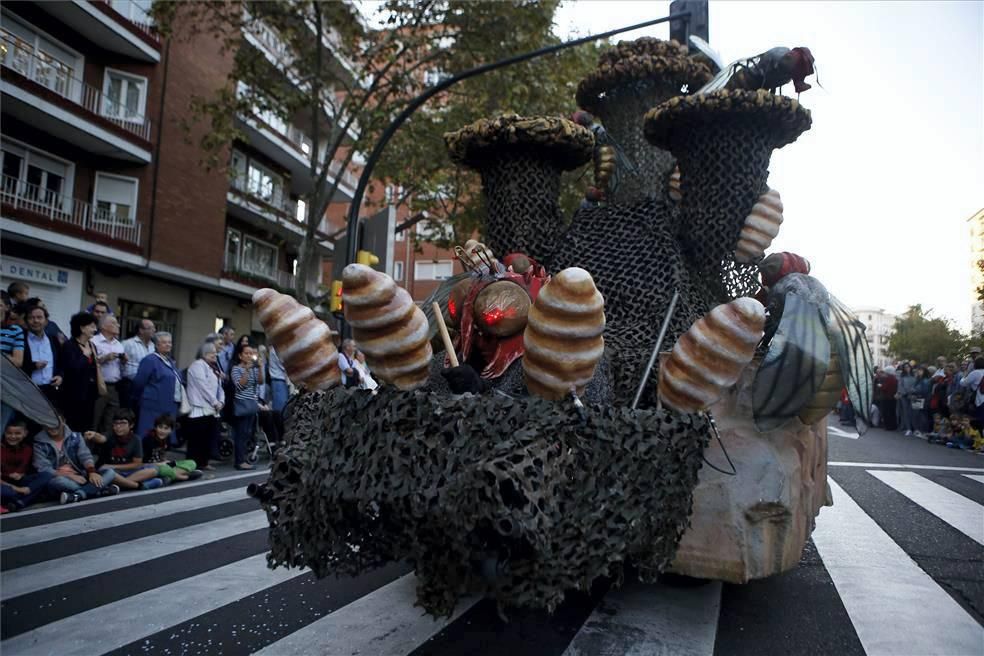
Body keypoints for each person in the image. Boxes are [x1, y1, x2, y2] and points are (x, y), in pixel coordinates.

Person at [34, 417, 119, 504]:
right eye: (48, 422)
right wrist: (70, 476)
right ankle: (97, 491)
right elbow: (44, 468)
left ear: (63, 421)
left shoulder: (75, 437)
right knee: (58, 481)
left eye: (55, 422)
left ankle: (78, 495)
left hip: (81, 477)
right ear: (43, 424)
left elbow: (85, 456)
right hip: (61, 479)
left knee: (110, 472)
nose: (52, 425)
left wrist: (91, 472)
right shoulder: (39, 443)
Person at [86, 409, 162, 490]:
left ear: (131, 425)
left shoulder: (136, 439)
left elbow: (137, 464)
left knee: (154, 469)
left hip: (126, 471)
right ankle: (139, 485)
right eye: (116, 423)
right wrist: (94, 435)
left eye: (123, 423)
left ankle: (121, 484)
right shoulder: (110, 434)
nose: (118, 427)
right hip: (110, 472)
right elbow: (101, 438)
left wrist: (113, 466)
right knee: (109, 473)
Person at [131, 332, 182, 440]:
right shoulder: (150, 360)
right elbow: (139, 382)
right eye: (164, 342)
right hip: (153, 406)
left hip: (169, 405)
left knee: (164, 438)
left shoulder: (169, 361)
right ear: (156, 345)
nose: (168, 344)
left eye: (170, 342)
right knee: (149, 436)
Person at [58, 312, 102, 433]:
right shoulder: (69, 346)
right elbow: (70, 369)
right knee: (73, 428)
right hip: (73, 396)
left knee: (87, 428)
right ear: (82, 328)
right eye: (92, 326)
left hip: (90, 395)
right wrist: (84, 356)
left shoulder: (92, 345)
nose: (95, 329)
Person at [185, 342, 224, 470]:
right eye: (211, 352)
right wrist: (215, 402)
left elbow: (219, 387)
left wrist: (221, 401)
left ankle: (203, 462)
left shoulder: (213, 367)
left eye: (215, 352)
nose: (215, 354)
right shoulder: (197, 366)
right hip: (200, 407)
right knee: (197, 438)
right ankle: (193, 464)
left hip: (212, 408)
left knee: (208, 437)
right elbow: (203, 387)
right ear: (204, 353)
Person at [1, 419, 54, 512]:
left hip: (20, 481)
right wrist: (19, 489)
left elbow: (24, 469)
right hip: (4, 482)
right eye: (9, 433)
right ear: (4, 433)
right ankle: (22, 499)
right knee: (10, 493)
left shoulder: (27, 449)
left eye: (17, 433)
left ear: (25, 433)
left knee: (46, 475)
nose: (13, 436)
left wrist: (21, 475)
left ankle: (19, 502)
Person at [230, 341, 263, 470]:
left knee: (247, 433)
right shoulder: (236, 369)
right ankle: (239, 461)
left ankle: (243, 459)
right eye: (246, 353)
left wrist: (260, 367)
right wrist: (247, 370)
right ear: (240, 356)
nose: (249, 356)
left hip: (251, 404)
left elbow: (260, 382)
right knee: (240, 433)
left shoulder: (254, 369)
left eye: (251, 353)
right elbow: (239, 385)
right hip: (241, 404)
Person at [22, 303, 62, 405]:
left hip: (51, 391)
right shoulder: (21, 339)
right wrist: (33, 366)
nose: (35, 321)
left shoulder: (53, 339)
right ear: (26, 321)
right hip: (28, 391)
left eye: (39, 317)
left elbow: (61, 362)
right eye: (31, 318)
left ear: (46, 321)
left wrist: (60, 376)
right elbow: (14, 365)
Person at [92, 315, 126, 434]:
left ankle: (105, 450)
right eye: (114, 323)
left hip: (114, 387)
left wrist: (124, 361)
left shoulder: (119, 344)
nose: (118, 325)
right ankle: (88, 449)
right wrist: (104, 358)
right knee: (94, 420)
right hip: (99, 386)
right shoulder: (94, 341)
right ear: (103, 326)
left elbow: (121, 368)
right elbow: (90, 363)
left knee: (111, 421)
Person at [141, 415, 200, 483]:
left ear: (171, 430)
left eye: (166, 428)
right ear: (155, 427)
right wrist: (159, 464)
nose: (162, 431)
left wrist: (166, 462)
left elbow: (163, 455)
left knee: (192, 463)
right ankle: (183, 477)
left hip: (163, 464)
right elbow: (142, 463)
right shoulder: (148, 439)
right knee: (164, 469)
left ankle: (170, 476)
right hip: (151, 467)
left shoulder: (167, 438)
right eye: (160, 427)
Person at [121, 319, 156, 410]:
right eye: (151, 328)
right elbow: (120, 363)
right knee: (128, 412)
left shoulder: (153, 346)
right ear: (141, 330)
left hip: (147, 386)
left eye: (154, 328)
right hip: (130, 385)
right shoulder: (128, 344)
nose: (154, 330)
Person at [910, 366, 932, 436]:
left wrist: (915, 391)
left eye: (920, 370)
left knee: (923, 415)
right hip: (918, 399)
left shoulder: (925, 380)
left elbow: (924, 391)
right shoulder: (918, 379)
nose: (918, 372)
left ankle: (923, 430)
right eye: (918, 370)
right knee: (918, 415)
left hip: (923, 399)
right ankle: (919, 429)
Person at [896, 362, 916, 436]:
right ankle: (908, 428)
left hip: (913, 396)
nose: (907, 368)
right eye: (905, 367)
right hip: (904, 396)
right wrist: (905, 393)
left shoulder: (914, 376)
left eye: (908, 367)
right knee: (906, 413)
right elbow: (900, 386)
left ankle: (914, 428)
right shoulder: (902, 376)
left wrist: (912, 392)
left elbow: (916, 385)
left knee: (913, 412)